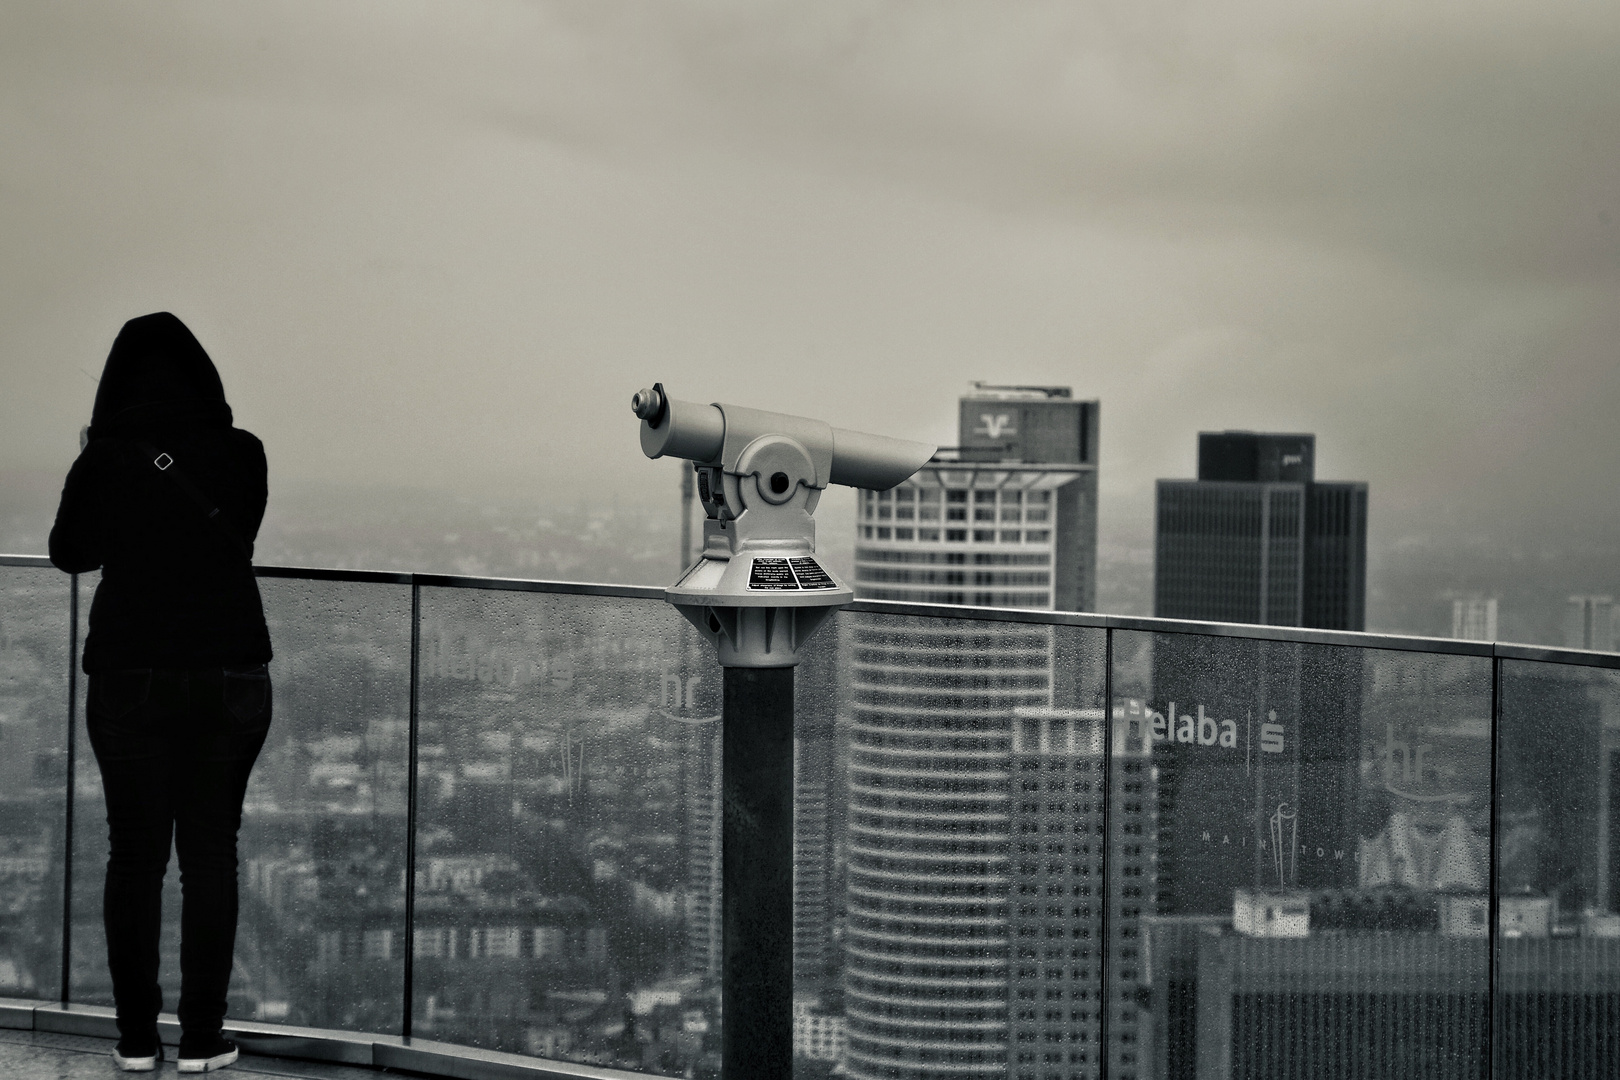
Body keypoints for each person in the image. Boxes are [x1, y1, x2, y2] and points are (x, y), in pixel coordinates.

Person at [50, 312, 272, 1074]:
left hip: (130, 671)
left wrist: (97, 467)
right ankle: (203, 1039)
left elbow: (68, 554)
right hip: (229, 669)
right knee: (211, 855)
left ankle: (137, 1040)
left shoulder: (106, 458)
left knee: (134, 857)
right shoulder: (244, 454)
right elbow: (241, 531)